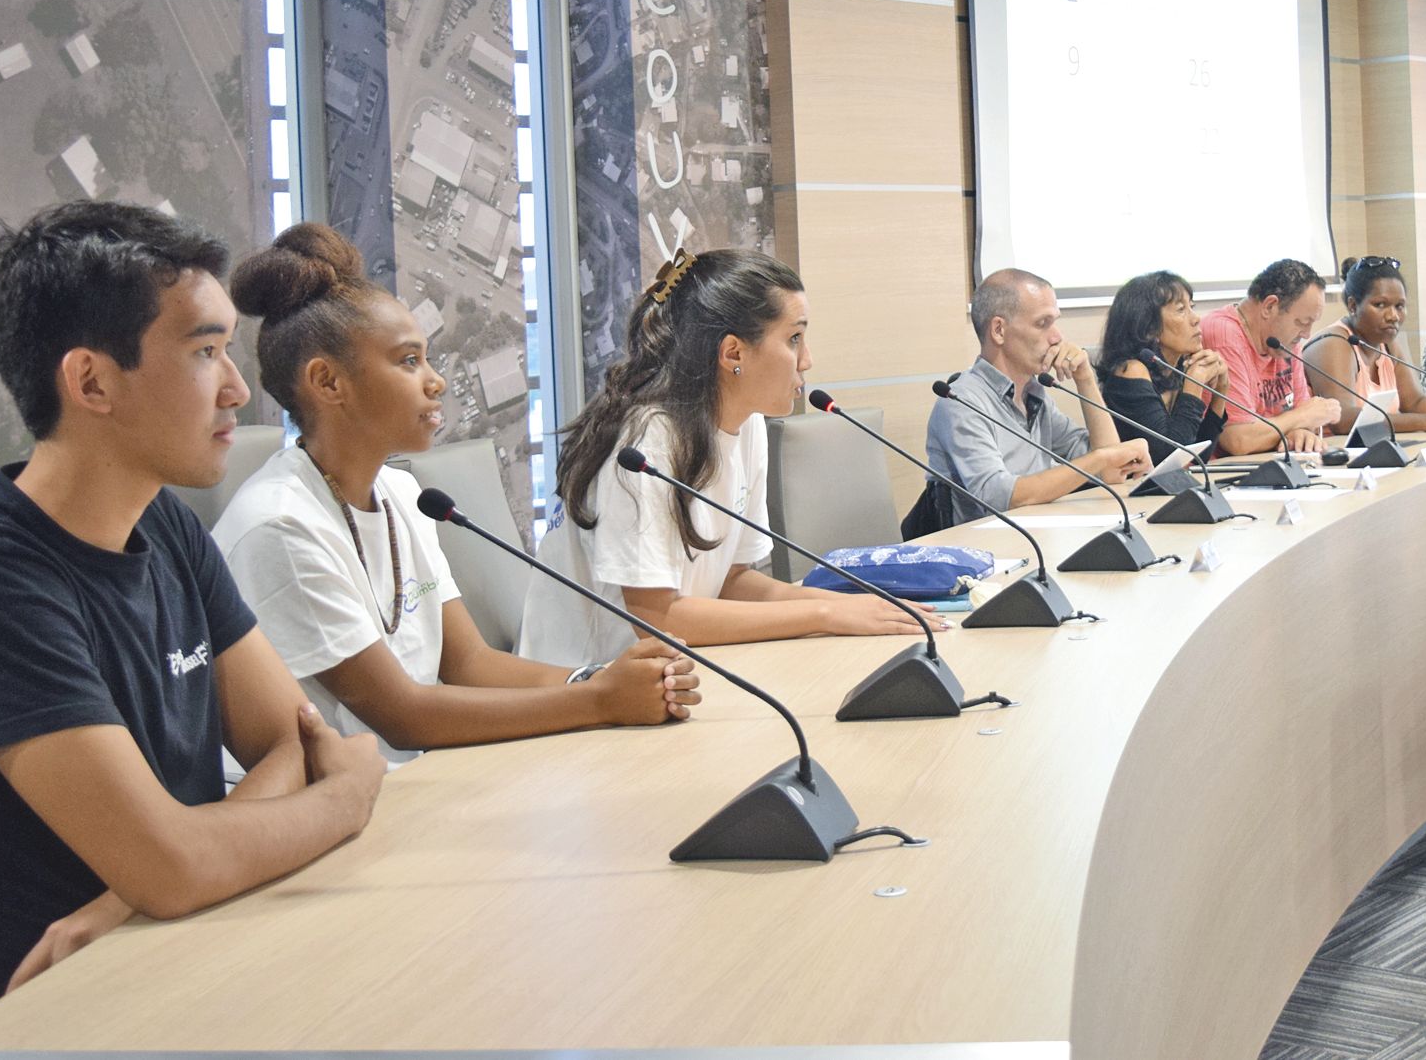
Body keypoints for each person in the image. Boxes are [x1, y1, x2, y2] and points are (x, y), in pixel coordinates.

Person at [0, 203, 386, 1033]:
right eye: (206, 352)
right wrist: (345, 798)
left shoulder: (163, 526)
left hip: (178, 954)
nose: (238, 388)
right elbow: (299, 787)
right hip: (57, 1021)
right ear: (92, 381)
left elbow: (290, 741)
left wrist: (137, 893)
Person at [213, 224, 701, 766]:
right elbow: (403, 717)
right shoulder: (282, 525)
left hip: (414, 783)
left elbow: (469, 663)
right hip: (324, 812)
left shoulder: (399, 492)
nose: (436, 381)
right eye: (407, 361)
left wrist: (602, 679)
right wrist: (599, 702)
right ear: (328, 383)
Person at [519, 248, 936, 667]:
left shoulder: (747, 424)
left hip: (678, 672)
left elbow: (732, 582)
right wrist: (823, 614)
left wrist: (860, 605)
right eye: (794, 338)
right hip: (587, 687)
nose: (807, 360)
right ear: (733, 353)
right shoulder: (647, 441)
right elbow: (655, 617)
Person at [925, 267, 1150, 527]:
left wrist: (1085, 378)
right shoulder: (961, 402)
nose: (1057, 337)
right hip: (987, 552)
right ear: (999, 330)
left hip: (1038, 537)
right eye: (1043, 323)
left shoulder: (1035, 395)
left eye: (1055, 322)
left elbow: (1111, 468)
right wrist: (1100, 459)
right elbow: (1000, 497)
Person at [1199, 258, 1342, 455]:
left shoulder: (1285, 342)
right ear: (1269, 307)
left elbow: (1304, 418)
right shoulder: (1224, 334)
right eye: (1301, 322)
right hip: (1225, 473)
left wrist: (1299, 432)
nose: (1306, 334)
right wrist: (1301, 418)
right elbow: (1238, 440)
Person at [1301, 256, 1426, 434]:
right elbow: (1343, 420)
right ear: (1353, 306)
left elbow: (1414, 402)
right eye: (1380, 305)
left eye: (1399, 306)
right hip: (1334, 455)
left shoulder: (1387, 344)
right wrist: (1423, 422)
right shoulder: (1333, 343)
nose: (1393, 316)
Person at [1096, 269, 1229, 461]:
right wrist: (1194, 385)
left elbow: (1199, 456)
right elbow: (1168, 457)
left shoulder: (1178, 368)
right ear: (1149, 327)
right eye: (1181, 310)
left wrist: (1221, 391)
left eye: (1192, 306)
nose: (1196, 318)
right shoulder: (1131, 371)